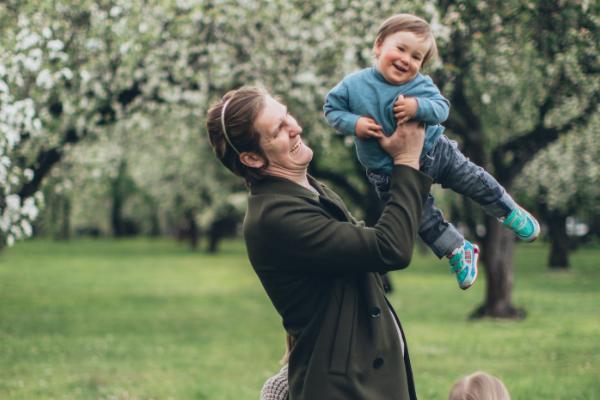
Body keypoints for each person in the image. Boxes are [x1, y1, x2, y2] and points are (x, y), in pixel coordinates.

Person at [207, 86, 431, 399]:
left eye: (287, 117)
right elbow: (388, 248)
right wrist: (406, 161)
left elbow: (363, 249)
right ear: (251, 157)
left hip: (365, 381)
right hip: (346, 390)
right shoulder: (276, 217)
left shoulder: (310, 190)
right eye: (279, 130)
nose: (295, 127)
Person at [323, 13, 540, 290]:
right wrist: (355, 123)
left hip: (436, 152)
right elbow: (331, 109)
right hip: (388, 172)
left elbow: (441, 108)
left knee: (473, 179)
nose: (406, 60)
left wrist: (417, 107)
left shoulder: (419, 85)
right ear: (379, 46)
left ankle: (508, 211)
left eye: (416, 57)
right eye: (400, 49)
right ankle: (458, 250)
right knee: (421, 220)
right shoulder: (354, 85)